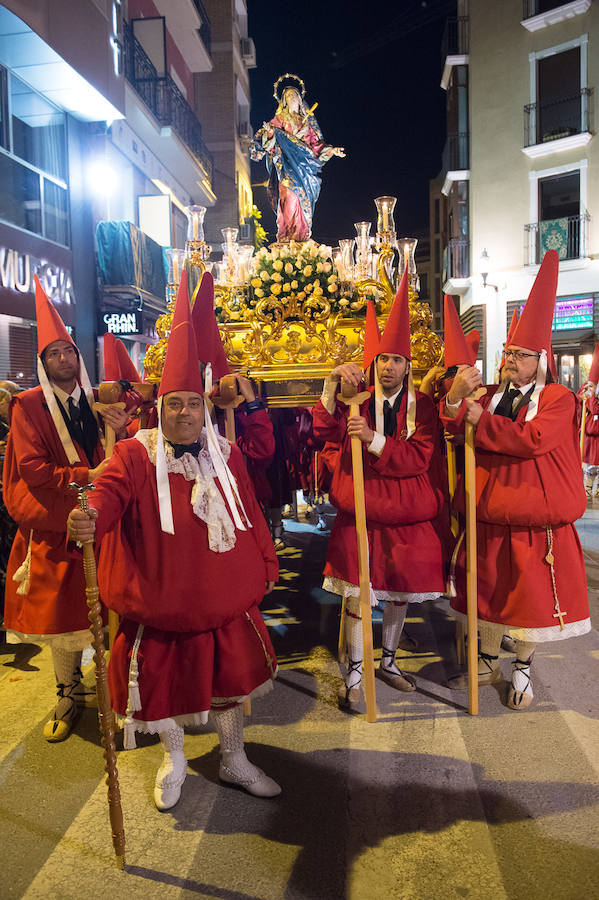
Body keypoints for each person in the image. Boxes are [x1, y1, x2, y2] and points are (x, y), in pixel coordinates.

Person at [67, 273, 280, 811]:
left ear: (204, 407)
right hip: (160, 604)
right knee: (165, 692)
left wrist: (266, 559)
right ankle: (175, 759)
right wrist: (89, 514)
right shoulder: (135, 454)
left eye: (192, 403)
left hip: (225, 602)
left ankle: (234, 758)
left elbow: (250, 513)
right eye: (173, 405)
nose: (184, 413)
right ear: (158, 410)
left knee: (230, 683)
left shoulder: (226, 454)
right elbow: (106, 493)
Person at [442, 250, 590, 710]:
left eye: (519, 355)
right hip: (488, 514)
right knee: (487, 592)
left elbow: (532, 439)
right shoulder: (489, 393)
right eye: (507, 352)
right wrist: (454, 402)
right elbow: (455, 424)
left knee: (527, 603)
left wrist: (475, 416)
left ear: (540, 360)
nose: (509, 360)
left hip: (532, 519)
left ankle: (522, 670)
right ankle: (487, 660)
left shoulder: (558, 398)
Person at [313, 268, 445, 709]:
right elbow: (323, 432)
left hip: (406, 516)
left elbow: (419, 458)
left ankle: (387, 661)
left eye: (397, 361)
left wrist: (372, 439)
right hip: (362, 512)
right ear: (373, 363)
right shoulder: (356, 398)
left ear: (409, 366)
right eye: (383, 360)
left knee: (398, 593)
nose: (389, 367)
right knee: (357, 593)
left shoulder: (422, 407)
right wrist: (331, 387)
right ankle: (354, 672)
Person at [2, 276, 127, 740]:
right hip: (56, 524)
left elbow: (123, 447)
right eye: (54, 353)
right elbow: (33, 468)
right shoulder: (28, 406)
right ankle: (67, 692)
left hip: (98, 521)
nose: (63, 359)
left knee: (106, 606)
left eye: (69, 352)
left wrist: (123, 428)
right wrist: (88, 477)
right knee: (61, 616)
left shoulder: (95, 403)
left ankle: (114, 687)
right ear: (42, 362)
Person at [250, 73, 345, 242]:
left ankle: (301, 237)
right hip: (286, 167)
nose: (292, 97)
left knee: (302, 203)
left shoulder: (307, 122)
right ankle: (287, 237)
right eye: (288, 96)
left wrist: (331, 151)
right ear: (284, 101)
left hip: (305, 169)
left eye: (295, 95)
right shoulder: (280, 119)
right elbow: (269, 139)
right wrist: (272, 133)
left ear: (300, 99)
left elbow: (317, 145)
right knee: (289, 199)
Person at [580, 343, 599, 500]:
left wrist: (592, 397)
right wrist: (587, 394)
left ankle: (597, 489)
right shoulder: (587, 390)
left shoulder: (595, 397)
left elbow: (596, 410)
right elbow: (583, 405)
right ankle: (587, 490)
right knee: (590, 466)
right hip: (590, 437)